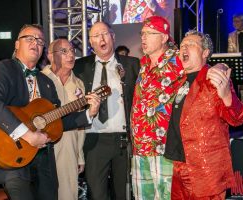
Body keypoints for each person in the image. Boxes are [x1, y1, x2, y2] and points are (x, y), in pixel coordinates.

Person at [0, 24, 101, 200]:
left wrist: (88, 113)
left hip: (44, 160)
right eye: (29, 38)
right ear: (16, 44)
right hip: (13, 157)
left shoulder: (46, 81)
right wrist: (28, 135)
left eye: (39, 41)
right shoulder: (5, 68)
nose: (35, 43)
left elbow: (58, 121)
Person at [164, 30, 243, 199]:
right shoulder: (179, 81)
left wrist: (226, 96)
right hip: (179, 165)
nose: (184, 48)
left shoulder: (214, 78)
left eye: (191, 44)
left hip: (206, 170)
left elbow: (238, 118)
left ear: (205, 52)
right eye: (182, 46)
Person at [74, 21, 140, 200]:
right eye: (96, 36)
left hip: (123, 141)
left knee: (123, 193)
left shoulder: (132, 64)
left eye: (105, 34)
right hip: (94, 140)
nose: (101, 39)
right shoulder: (80, 67)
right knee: (97, 193)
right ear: (90, 42)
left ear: (113, 37)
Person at [130, 15, 185, 200]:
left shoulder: (178, 61)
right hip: (140, 148)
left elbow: (202, 72)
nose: (143, 38)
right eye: (142, 34)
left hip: (164, 148)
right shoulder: (143, 65)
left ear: (164, 37)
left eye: (149, 33)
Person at [42, 38, 86, 200]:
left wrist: (79, 154)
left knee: (68, 194)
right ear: (50, 56)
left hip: (69, 148)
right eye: (64, 51)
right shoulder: (39, 79)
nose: (71, 55)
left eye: (73, 51)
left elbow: (81, 124)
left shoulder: (79, 84)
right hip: (42, 148)